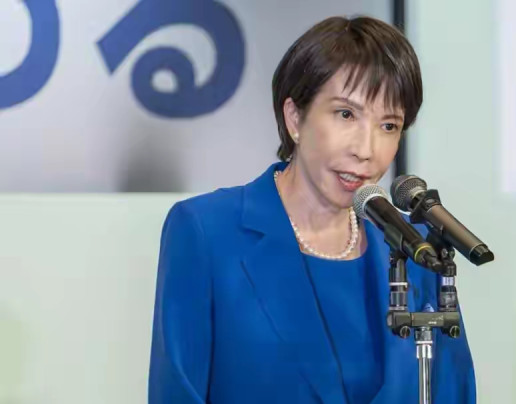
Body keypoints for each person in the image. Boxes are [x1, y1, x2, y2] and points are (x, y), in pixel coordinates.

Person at [148, 15, 475, 403]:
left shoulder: (415, 249)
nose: (366, 149)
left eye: (389, 125)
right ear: (295, 118)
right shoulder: (207, 232)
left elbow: (453, 392)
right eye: (346, 114)